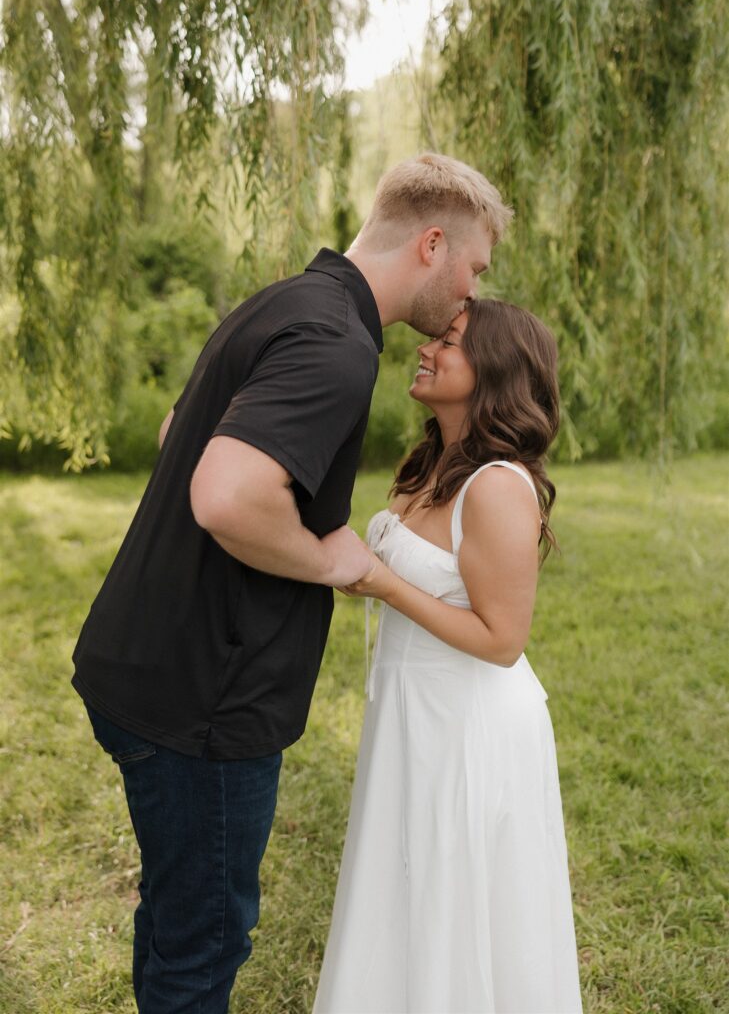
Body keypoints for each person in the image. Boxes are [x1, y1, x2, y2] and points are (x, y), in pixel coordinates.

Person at [71, 154, 513, 1013]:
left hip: (145, 665)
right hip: (204, 700)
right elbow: (226, 491)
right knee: (201, 946)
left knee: (177, 922)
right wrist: (329, 558)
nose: (469, 296)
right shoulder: (337, 344)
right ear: (431, 244)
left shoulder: (284, 302)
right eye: (473, 269)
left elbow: (181, 430)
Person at [313, 299, 583, 1013]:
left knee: (454, 897)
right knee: (400, 886)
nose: (426, 349)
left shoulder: (495, 486)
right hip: (410, 709)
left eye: (450, 343)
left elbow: (501, 641)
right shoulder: (430, 463)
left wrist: (379, 582)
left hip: (468, 724)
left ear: (492, 372)